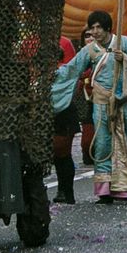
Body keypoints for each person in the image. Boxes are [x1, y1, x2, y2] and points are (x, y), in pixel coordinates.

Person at [50, 11, 127, 203]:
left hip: (126, 101)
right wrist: (52, 75)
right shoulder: (89, 50)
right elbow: (72, 69)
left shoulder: (124, 42)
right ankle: (106, 191)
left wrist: (126, 58)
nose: (94, 31)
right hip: (102, 103)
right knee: (102, 143)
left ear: (107, 28)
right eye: (92, 28)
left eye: (98, 27)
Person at [50, 35, 84, 204]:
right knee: (60, 155)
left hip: (62, 114)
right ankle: (64, 191)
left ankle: (66, 192)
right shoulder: (60, 72)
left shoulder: (61, 72)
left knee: (61, 154)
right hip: (58, 114)